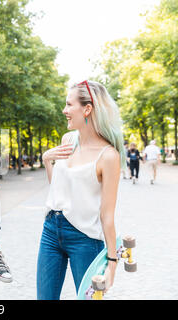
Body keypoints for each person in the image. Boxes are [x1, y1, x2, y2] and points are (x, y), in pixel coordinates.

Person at [38, 80, 125, 300]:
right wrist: (47, 161)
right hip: (51, 230)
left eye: (69, 105)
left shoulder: (108, 156)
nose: (64, 110)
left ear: (87, 109)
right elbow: (59, 190)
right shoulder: (68, 141)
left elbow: (107, 215)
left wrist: (112, 264)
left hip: (84, 238)